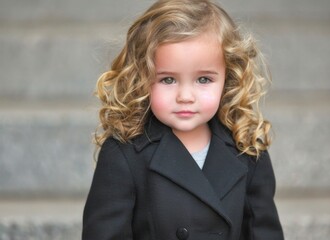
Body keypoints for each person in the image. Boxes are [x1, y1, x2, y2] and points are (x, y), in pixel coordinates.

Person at [82, 0, 284, 239]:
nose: (185, 96)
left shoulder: (248, 151)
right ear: (141, 79)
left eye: (203, 80)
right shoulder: (124, 155)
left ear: (228, 79)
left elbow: (264, 232)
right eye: (168, 80)